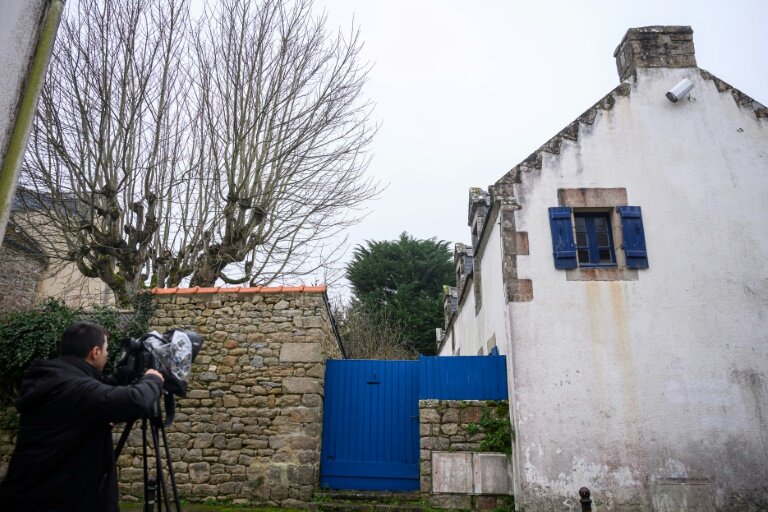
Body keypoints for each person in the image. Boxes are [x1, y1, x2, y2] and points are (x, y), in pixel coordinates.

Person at [0, 321, 164, 511]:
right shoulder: (73, 388)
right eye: (106, 349)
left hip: (35, 493)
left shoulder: (55, 378)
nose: (107, 354)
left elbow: (96, 393)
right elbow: (133, 401)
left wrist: (122, 377)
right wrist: (153, 380)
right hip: (57, 500)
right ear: (95, 352)